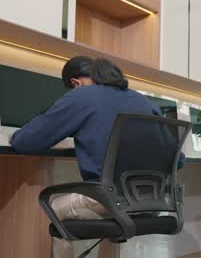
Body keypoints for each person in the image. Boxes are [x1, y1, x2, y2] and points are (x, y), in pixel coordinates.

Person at [10, 56, 184, 257]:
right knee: (114, 210)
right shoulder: (144, 101)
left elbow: (26, 142)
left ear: (76, 83)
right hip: (153, 201)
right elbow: (177, 160)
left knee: (53, 208)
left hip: (110, 200)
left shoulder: (82, 96)